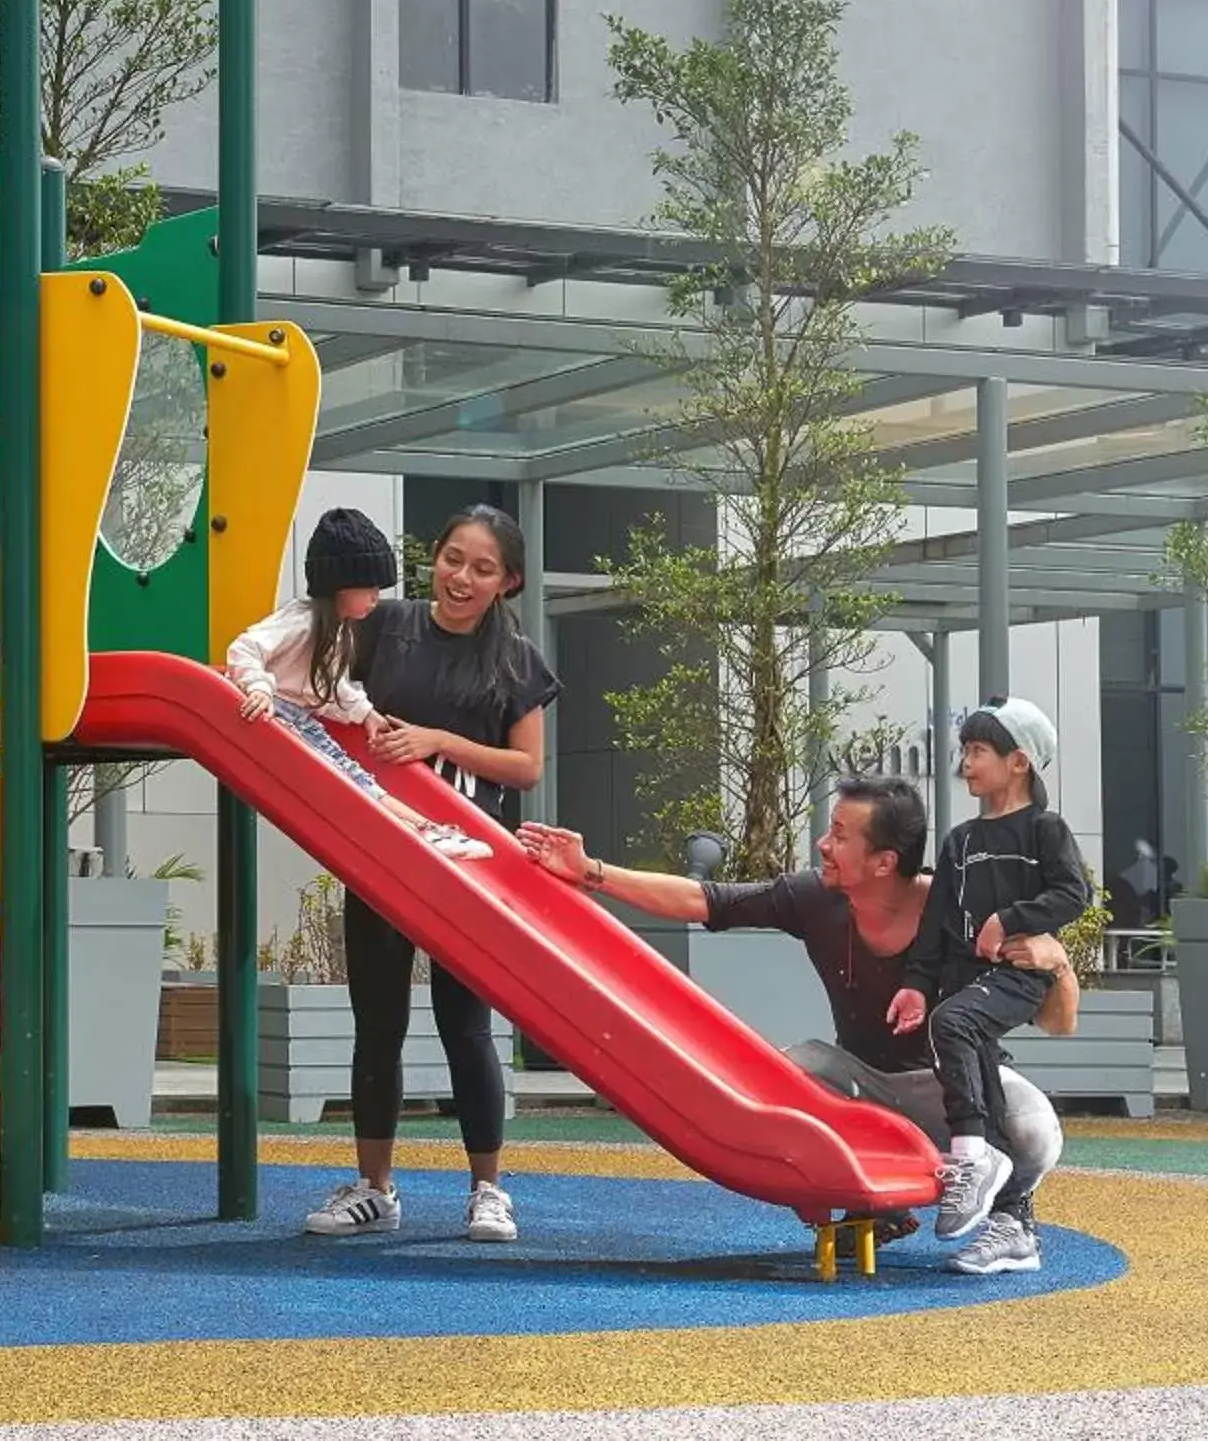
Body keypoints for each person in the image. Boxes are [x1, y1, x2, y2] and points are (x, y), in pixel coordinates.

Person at [515, 773, 1079, 1276]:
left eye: (839, 834)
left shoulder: (960, 908)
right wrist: (590, 872)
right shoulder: (816, 898)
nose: (823, 844)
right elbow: (705, 899)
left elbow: (1058, 1024)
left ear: (884, 862)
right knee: (794, 1071)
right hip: (866, 1079)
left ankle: (1012, 1222)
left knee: (1033, 1129)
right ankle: (878, 1205)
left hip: (951, 1089)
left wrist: (1057, 964)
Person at [301, 505, 556, 1247]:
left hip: (470, 864)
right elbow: (326, 693)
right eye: (452, 559)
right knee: (376, 1024)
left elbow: (527, 766)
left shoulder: (515, 660)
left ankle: (488, 1188)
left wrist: (439, 740)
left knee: (465, 1027)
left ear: (507, 581)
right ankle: (375, 1188)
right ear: (434, 558)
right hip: (384, 852)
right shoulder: (387, 628)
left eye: (482, 568)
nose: (461, 578)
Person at [885, 696, 1091, 1246]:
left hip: (1016, 977)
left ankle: (971, 1157)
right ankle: (1011, 1225)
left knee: (955, 1027)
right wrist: (914, 986)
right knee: (978, 1071)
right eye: (965, 751)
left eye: (977, 751)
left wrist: (1011, 920)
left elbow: (1075, 893)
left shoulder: (1045, 830)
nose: (966, 764)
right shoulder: (961, 842)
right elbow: (935, 929)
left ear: (1018, 762)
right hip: (962, 986)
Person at [226, 507, 491, 860]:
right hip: (282, 718)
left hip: (300, 721)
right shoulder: (303, 622)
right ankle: (425, 831)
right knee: (354, 782)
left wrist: (364, 712)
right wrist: (259, 688)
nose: (375, 598)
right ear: (339, 587)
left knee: (357, 779)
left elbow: (332, 687)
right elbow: (245, 648)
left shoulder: (336, 631)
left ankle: (426, 828)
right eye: (368, 588)